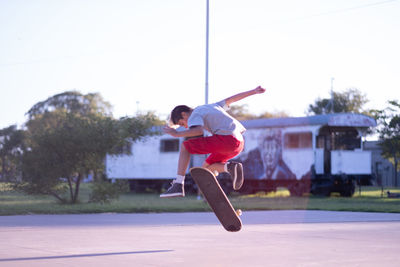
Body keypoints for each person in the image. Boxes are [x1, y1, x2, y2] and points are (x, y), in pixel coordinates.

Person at [160, 86, 266, 198]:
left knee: (185, 146)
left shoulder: (194, 114)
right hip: (238, 144)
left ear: (183, 114)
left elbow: (198, 130)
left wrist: (176, 134)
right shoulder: (212, 106)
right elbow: (232, 99)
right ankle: (229, 168)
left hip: (226, 140)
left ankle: (178, 183)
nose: (186, 127)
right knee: (206, 168)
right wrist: (253, 91)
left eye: (182, 124)